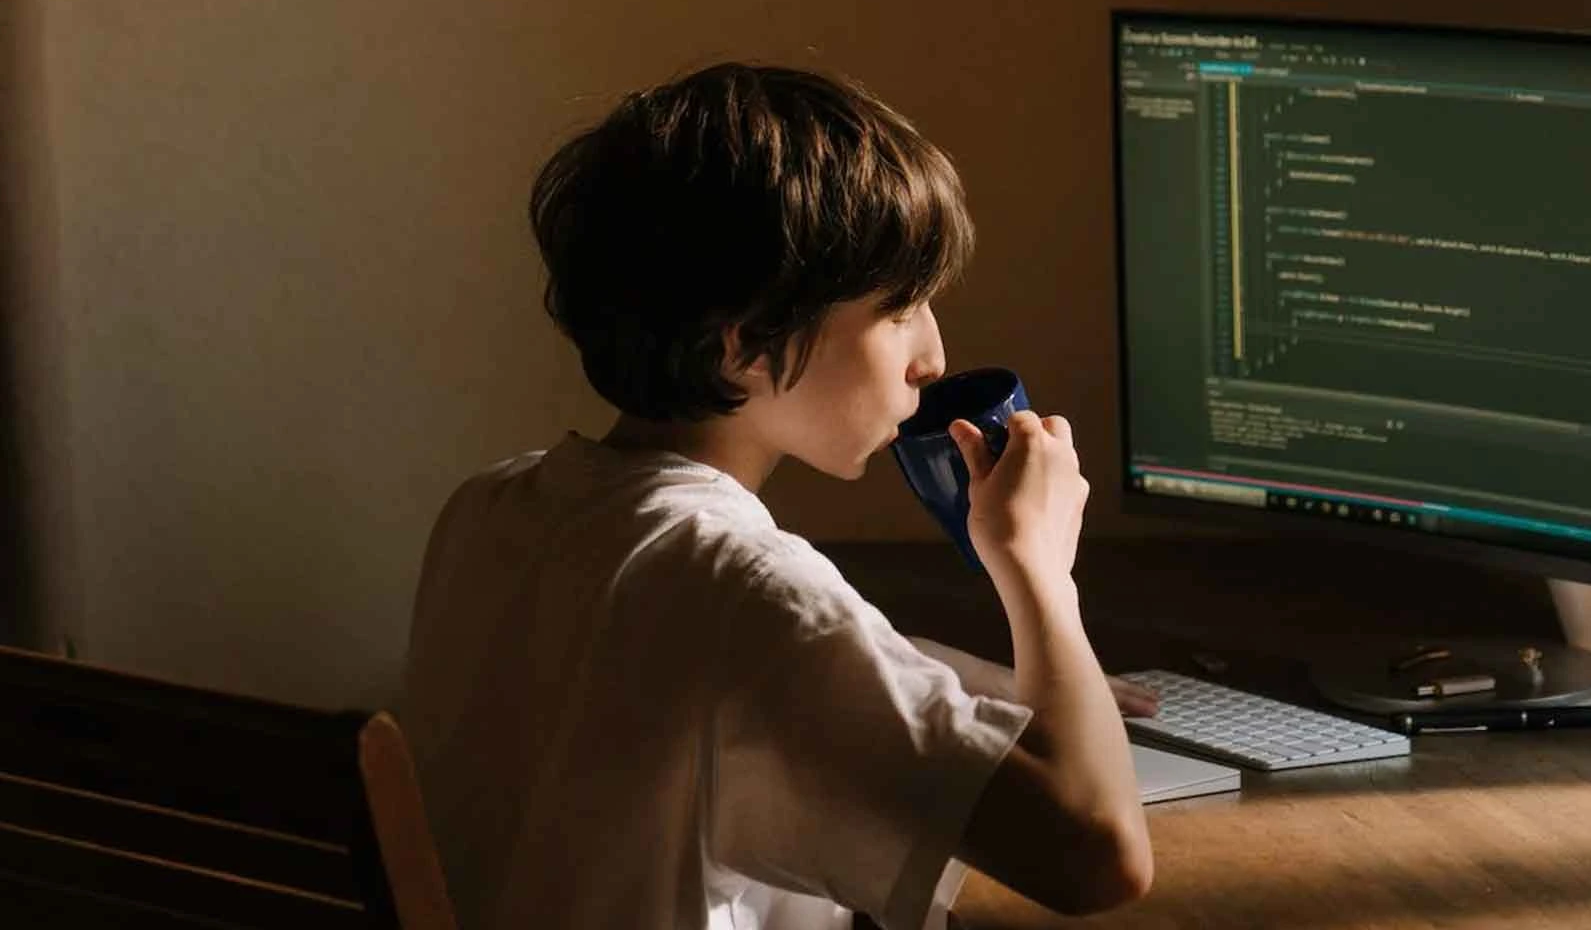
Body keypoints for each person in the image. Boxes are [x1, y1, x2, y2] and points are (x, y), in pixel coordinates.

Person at [402, 63, 1155, 930]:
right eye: (901, 307)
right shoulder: (746, 595)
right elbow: (1098, 856)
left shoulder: (491, 510)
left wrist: (921, 666)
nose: (934, 356)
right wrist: (1040, 574)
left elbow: (659, 666)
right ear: (745, 348)